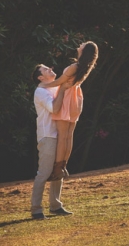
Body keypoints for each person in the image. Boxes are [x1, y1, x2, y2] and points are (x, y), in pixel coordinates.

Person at [41, 41, 99, 181]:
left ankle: (57, 170)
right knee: (68, 135)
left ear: (84, 50)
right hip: (75, 99)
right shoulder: (85, 67)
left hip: (66, 98)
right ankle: (62, 167)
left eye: (83, 44)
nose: (81, 44)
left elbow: (59, 81)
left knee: (62, 136)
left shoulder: (75, 66)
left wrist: (42, 85)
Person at [30, 64, 73, 219]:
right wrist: (62, 88)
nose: (50, 69)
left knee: (58, 169)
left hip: (59, 135)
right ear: (40, 77)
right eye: (46, 70)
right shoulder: (40, 91)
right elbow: (54, 109)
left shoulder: (54, 88)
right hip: (47, 136)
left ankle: (55, 205)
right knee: (44, 173)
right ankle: (36, 209)